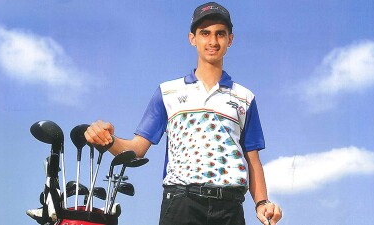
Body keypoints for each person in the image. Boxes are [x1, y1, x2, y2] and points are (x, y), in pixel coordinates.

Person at [85, 2, 282, 225]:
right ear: (192, 38)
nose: (212, 41)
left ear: (230, 40)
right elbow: (137, 149)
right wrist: (107, 140)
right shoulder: (167, 92)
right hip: (181, 203)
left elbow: (253, 161)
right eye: (205, 33)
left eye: (220, 34)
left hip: (230, 207)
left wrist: (261, 202)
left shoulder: (245, 98)